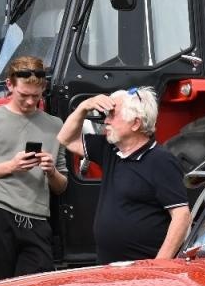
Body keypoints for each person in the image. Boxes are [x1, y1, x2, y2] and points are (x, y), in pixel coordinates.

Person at [0, 57, 68, 281]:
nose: (30, 102)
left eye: (36, 96)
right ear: (9, 85)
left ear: (43, 89)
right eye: (24, 95)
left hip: (38, 218)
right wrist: (12, 166)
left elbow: (61, 186)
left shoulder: (55, 124)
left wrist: (51, 171)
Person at [56, 87, 189, 263]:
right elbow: (66, 139)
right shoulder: (109, 149)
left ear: (135, 123)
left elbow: (181, 215)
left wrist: (159, 264)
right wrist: (83, 107)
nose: (106, 121)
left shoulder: (161, 161)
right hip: (109, 266)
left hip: (143, 271)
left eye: (112, 115)